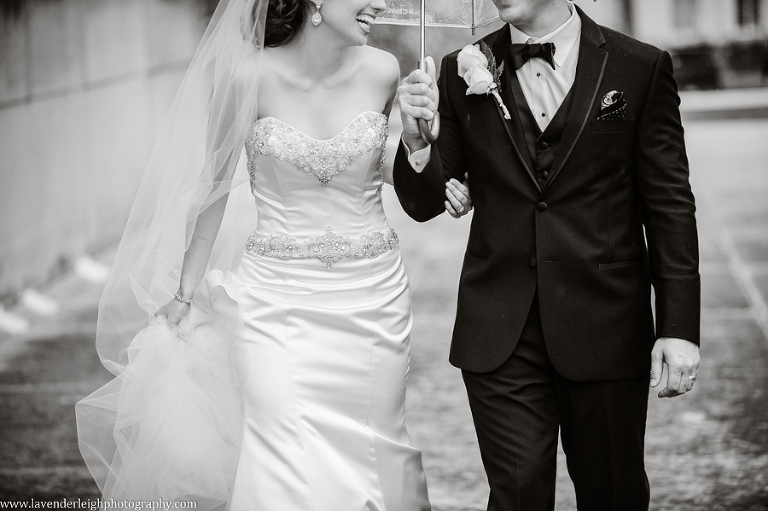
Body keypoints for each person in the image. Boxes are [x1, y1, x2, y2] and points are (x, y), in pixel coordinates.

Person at [75, 0, 472, 508]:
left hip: (373, 299)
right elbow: (214, 188)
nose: (376, 3)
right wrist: (185, 290)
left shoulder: (385, 71)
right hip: (277, 303)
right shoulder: (245, 78)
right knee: (283, 452)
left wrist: (423, 153)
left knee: (373, 444)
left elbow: (379, 168)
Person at [394, 0, 700, 509]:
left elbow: (668, 204)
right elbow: (425, 203)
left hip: (606, 324)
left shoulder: (639, 67)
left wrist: (679, 326)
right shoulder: (457, 69)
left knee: (613, 494)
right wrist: (416, 140)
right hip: (500, 330)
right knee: (516, 496)